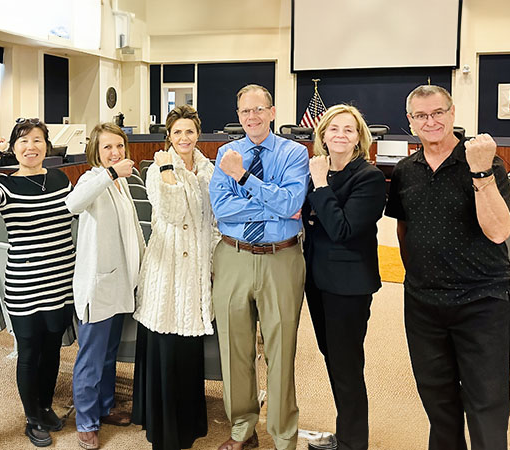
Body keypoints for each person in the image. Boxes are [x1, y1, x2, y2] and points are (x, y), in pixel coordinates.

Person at [385, 85, 510, 450]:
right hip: (424, 305)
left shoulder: (485, 163)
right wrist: (419, 279)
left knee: (486, 405)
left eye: (438, 112)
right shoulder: (406, 170)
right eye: (421, 116)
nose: (431, 121)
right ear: (410, 122)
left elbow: (500, 230)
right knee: (439, 405)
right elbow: (403, 228)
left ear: (453, 113)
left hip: (482, 301)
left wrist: (480, 173)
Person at [209, 84, 309, 450]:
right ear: (238, 116)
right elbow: (222, 210)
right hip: (233, 256)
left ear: (271, 111)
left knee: (281, 350)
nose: (251, 117)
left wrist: (245, 180)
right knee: (235, 348)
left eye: (258, 109)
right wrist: (272, 201)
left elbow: (293, 202)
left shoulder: (294, 153)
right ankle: (242, 428)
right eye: (244, 112)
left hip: (281, 259)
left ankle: (283, 435)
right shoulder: (225, 152)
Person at [0, 118, 75, 447]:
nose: (30, 147)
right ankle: (32, 418)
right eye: (23, 141)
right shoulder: (6, 185)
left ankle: (45, 407)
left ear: (47, 145)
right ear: (14, 148)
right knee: (30, 351)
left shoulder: (60, 178)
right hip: (26, 281)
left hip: (61, 279)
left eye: (37, 140)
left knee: (53, 348)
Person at [132, 105, 219, 450]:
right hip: (167, 265)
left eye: (190, 132)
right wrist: (169, 171)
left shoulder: (208, 169)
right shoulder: (158, 168)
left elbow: (212, 217)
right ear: (168, 135)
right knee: (167, 340)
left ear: (198, 134)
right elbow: (170, 213)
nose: (184, 138)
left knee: (188, 347)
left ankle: (189, 423)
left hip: (196, 265)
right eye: (177, 132)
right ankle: (164, 427)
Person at [302, 105, 386, 450]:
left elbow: (342, 229)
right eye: (333, 128)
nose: (340, 134)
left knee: (347, 364)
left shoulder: (368, 177)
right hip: (318, 280)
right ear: (322, 135)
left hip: (349, 286)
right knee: (332, 356)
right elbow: (311, 219)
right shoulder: (322, 173)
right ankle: (346, 433)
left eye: (348, 130)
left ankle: (353, 443)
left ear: (359, 138)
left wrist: (320, 184)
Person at [65, 123, 145, 450]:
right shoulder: (93, 178)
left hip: (119, 282)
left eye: (119, 147)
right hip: (97, 287)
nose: (115, 153)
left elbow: (132, 230)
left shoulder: (120, 184)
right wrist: (110, 173)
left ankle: (104, 407)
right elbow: (74, 204)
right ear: (96, 153)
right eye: (107, 148)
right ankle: (85, 421)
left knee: (109, 354)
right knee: (91, 357)